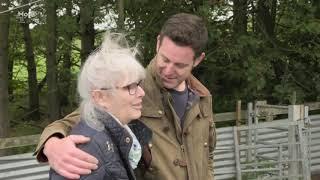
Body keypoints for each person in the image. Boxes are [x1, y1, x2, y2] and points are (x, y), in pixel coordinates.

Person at [35, 13, 216, 180]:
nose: (168, 71)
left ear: (198, 60)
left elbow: (207, 155)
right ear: (158, 43)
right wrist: (52, 145)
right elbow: (83, 119)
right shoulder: (131, 90)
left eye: (179, 65)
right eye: (165, 59)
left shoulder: (202, 97)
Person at [49, 32, 152, 179]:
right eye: (131, 86)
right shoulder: (88, 152)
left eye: (139, 84)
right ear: (100, 97)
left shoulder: (117, 134)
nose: (141, 93)